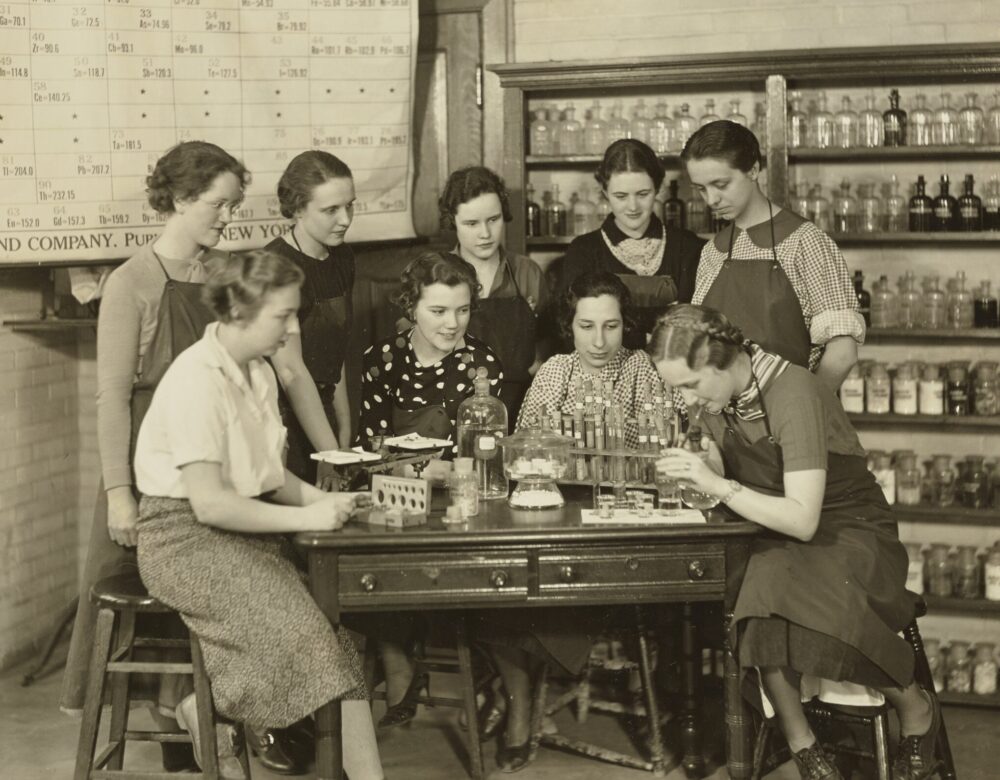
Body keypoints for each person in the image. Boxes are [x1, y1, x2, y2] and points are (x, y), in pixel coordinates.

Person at [648, 304, 941, 780]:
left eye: (690, 385)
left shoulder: (793, 391)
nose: (685, 400)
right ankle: (804, 748)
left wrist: (718, 485)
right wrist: (706, 463)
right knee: (758, 604)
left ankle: (915, 704)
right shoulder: (723, 398)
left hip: (847, 527)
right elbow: (736, 473)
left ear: (726, 361)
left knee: (824, 605)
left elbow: (804, 520)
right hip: (774, 524)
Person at [134, 249, 384, 780]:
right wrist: (309, 520)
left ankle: (218, 718)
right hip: (181, 540)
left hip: (240, 530)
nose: (294, 328)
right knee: (307, 637)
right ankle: (214, 717)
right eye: (283, 316)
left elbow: (271, 480)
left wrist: (331, 503)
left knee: (338, 637)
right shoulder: (195, 379)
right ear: (238, 313)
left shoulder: (259, 373)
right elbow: (210, 503)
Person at [61, 141, 248, 772]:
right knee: (160, 605)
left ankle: (197, 710)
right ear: (180, 198)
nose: (227, 217)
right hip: (148, 465)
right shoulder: (131, 282)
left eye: (233, 204)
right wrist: (119, 492)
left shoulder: (225, 273)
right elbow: (112, 397)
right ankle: (182, 717)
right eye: (218, 204)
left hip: (212, 459)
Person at [477, 271, 671, 774]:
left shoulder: (642, 368)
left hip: (620, 517)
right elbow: (523, 455)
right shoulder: (555, 372)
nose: (600, 341)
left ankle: (524, 693)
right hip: (557, 509)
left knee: (567, 592)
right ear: (570, 325)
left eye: (611, 326)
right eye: (587, 326)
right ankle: (522, 699)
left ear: (626, 325)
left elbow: (660, 451)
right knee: (505, 586)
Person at [357, 250, 502, 729]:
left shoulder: (482, 363)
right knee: (372, 563)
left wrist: (443, 472)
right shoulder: (381, 360)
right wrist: (413, 473)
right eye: (438, 310)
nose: (452, 323)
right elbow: (368, 448)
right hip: (393, 497)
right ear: (411, 307)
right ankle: (398, 664)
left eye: (462, 310)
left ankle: (482, 675)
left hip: (462, 502)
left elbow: (485, 453)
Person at [682, 120, 863, 390]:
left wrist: (800, 409)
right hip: (725, 420)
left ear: (753, 170)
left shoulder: (805, 241)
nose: (711, 200)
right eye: (701, 188)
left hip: (792, 416)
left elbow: (842, 352)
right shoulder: (712, 252)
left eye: (721, 184)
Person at [556, 138, 705, 348]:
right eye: (621, 196)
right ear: (605, 193)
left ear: (658, 188)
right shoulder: (583, 251)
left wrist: (622, 319)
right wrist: (665, 314)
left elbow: (695, 326)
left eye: (643, 194)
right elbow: (575, 331)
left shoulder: (689, 247)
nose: (633, 206)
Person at [265, 150, 356, 485]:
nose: (345, 219)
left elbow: (337, 351)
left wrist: (343, 433)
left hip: (325, 419)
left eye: (350, 205)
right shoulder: (276, 266)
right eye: (331, 210)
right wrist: (328, 453)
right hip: (285, 421)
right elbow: (291, 372)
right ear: (298, 209)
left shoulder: (343, 258)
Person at [439, 166, 551, 420]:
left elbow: (544, 358)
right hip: (454, 412)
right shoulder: (435, 277)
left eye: (493, 219)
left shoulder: (527, 272)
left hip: (523, 410)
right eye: (471, 223)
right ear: (452, 222)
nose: (485, 234)